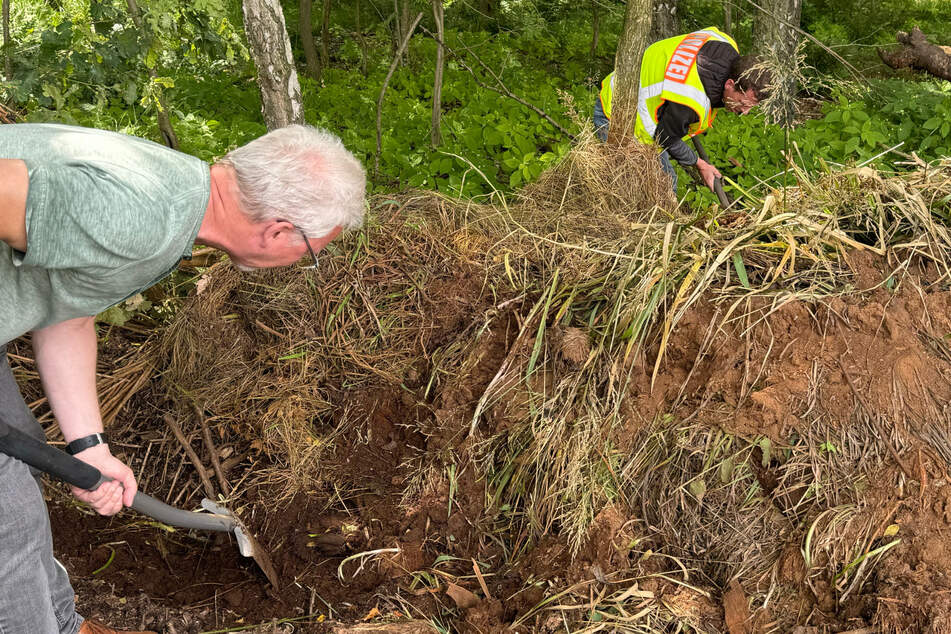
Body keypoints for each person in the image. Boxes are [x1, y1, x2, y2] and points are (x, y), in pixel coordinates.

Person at [0, 123, 366, 634]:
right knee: (5, 510)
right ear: (279, 230)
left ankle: (60, 624)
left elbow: (68, 312)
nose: (307, 261)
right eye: (312, 250)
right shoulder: (145, 212)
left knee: (26, 452)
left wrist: (89, 446)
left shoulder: (174, 200)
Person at [593, 27, 771, 194]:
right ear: (730, 84)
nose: (744, 112)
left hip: (629, 86)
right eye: (743, 104)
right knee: (662, 190)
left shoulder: (725, 44)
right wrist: (700, 164)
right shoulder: (690, 100)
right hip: (616, 114)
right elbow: (666, 136)